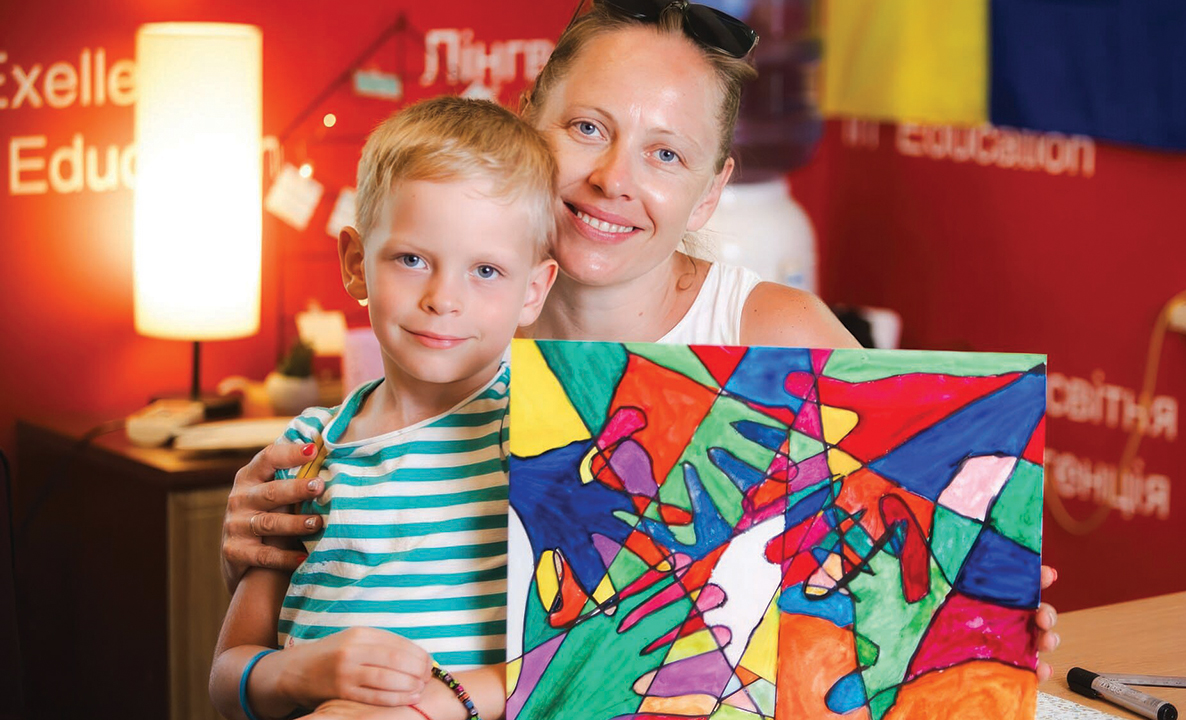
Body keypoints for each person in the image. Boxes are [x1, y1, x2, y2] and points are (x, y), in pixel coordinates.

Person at [221, 3, 1060, 716]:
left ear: (710, 190)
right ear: (529, 121)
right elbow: (346, 577)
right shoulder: (455, 332)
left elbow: (889, 573)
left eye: (666, 153)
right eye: (587, 128)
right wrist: (251, 549)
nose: (613, 178)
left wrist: (974, 610)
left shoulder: (781, 337)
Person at [208, 96, 559, 720]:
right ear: (355, 263)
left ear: (533, 290)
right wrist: (298, 672)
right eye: (412, 260)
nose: (443, 298)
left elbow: (574, 659)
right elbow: (227, 676)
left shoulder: (540, 438)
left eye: (485, 270)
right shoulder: (308, 448)